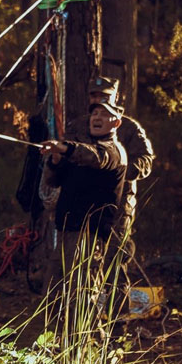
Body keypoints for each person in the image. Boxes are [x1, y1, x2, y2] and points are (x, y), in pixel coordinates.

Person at [41, 100, 127, 291]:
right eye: (95, 113)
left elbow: (97, 157)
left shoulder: (114, 150)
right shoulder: (80, 151)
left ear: (116, 123)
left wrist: (65, 147)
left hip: (89, 237)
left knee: (83, 296)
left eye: (105, 114)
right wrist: (55, 159)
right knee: (52, 296)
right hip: (65, 231)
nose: (97, 117)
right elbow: (53, 181)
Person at [80, 76, 154, 251]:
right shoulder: (79, 125)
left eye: (103, 97)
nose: (97, 100)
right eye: (94, 96)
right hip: (84, 200)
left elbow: (145, 161)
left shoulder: (129, 128)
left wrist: (119, 171)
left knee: (116, 252)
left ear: (116, 97)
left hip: (118, 202)